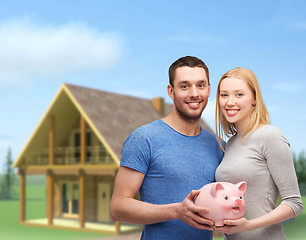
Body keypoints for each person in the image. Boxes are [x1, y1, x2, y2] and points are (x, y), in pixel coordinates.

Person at [110, 56, 224, 239]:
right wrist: (176, 211)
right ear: (171, 91)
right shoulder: (144, 138)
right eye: (185, 86)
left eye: (200, 85)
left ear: (209, 89)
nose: (194, 93)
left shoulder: (218, 146)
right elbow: (118, 208)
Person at [213, 67, 303, 239]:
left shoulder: (270, 136)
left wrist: (248, 225)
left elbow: (294, 203)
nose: (230, 102)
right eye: (224, 95)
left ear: (254, 99)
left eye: (239, 94)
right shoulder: (230, 144)